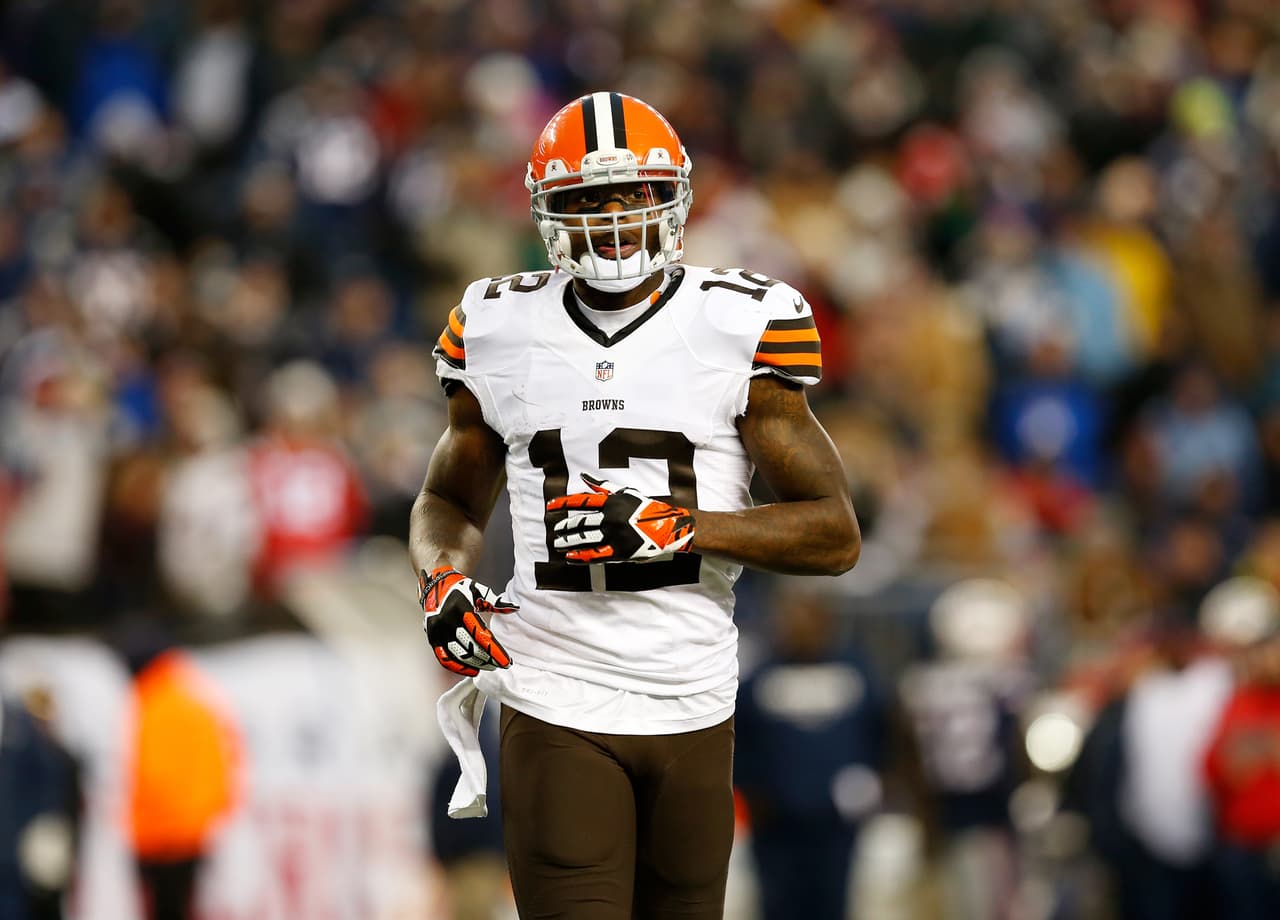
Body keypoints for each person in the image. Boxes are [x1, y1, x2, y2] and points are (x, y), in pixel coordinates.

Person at [410, 91, 860, 919]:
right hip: (554, 681)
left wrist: (676, 533)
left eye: (637, 194)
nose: (615, 219)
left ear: (676, 197)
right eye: (588, 199)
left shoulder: (739, 322)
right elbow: (447, 496)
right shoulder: (496, 324)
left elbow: (834, 533)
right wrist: (441, 578)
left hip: (693, 687)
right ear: (548, 211)